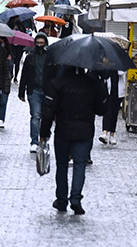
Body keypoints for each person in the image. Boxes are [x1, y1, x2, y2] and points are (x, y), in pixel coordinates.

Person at [40, 67, 108, 214]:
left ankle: (62, 200)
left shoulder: (58, 83)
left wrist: (44, 132)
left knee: (62, 165)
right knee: (80, 165)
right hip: (84, 131)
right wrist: (101, 86)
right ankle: (76, 199)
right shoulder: (92, 83)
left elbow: (49, 110)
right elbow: (101, 109)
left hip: (63, 131)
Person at [18, 32, 52, 152]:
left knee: (47, 116)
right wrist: (21, 91)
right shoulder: (30, 57)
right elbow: (24, 75)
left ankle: (44, 138)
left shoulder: (50, 58)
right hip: (34, 90)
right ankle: (34, 141)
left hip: (48, 91)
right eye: (37, 43)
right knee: (36, 115)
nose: (39, 45)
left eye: (42, 43)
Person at [98, 70, 125, 146]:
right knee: (107, 111)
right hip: (108, 91)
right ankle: (105, 132)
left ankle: (112, 135)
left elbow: (121, 72)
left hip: (118, 92)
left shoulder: (120, 66)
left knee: (114, 113)